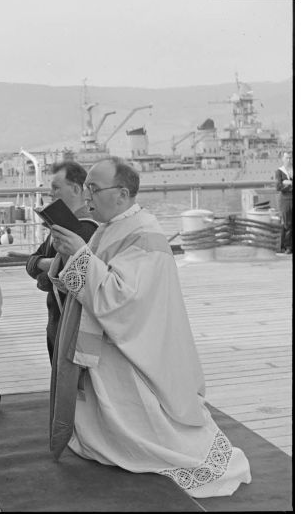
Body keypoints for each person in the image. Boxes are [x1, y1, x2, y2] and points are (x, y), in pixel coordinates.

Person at [47, 157, 251, 498]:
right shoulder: (110, 226)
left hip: (133, 344)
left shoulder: (144, 232)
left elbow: (125, 298)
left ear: (123, 193)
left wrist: (80, 255)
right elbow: (95, 280)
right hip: (113, 339)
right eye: (87, 189)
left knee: (150, 429)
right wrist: (68, 255)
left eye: (95, 189)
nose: (88, 197)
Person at [26, 161, 98, 363]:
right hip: (57, 323)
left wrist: (44, 266)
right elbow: (32, 265)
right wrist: (49, 265)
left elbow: (49, 280)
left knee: (72, 390)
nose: (51, 193)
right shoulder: (58, 226)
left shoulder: (87, 229)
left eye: (56, 187)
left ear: (76, 189)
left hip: (72, 328)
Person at [275, 152, 293, 254]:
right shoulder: (279, 172)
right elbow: (278, 187)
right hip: (285, 200)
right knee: (287, 224)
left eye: (290, 158)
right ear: (282, 159)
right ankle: (288, 247)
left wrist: (288, 183)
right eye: (287, 158)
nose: (289, 160)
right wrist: (288, 185)